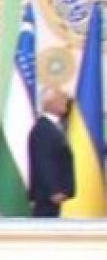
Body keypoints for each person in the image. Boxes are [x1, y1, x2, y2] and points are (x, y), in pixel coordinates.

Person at [28, 88, 75, 218]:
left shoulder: (55, 126)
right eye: (63, 99)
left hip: (54, 195)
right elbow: (43, 162)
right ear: (51, 103)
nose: (66, 103)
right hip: (48, 195)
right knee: (44, 226)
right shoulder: (43, 129)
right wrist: (53, 190)